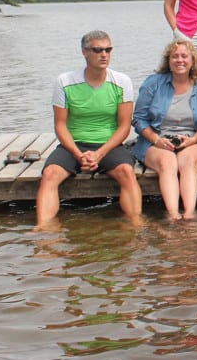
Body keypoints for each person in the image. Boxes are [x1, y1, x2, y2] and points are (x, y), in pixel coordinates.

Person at [36, 31, 141, 227]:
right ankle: (43, 227)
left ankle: (134, 222)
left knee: (127, 171)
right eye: (98, 50)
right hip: (74, 145)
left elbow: (124, 126)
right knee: (49, 174)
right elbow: (60, 125)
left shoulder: (122, 81)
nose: (104, 54)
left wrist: (100, 154)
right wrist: (78, 155)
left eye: (108, 50)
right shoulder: (64, 82)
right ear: (84, 52)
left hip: (109, 146)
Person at [132, 39, 197, 220]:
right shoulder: (154, 83)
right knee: (167, 162)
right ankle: (173, 214)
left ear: (192, 60)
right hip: (157, 139)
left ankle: (190, 213)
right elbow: (138, 119)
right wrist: (156, 140)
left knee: (188, 161)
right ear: (168, 61)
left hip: (191, 139)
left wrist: (192, 140)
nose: (180, 60)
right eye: (174, 56)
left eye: (184, 56)